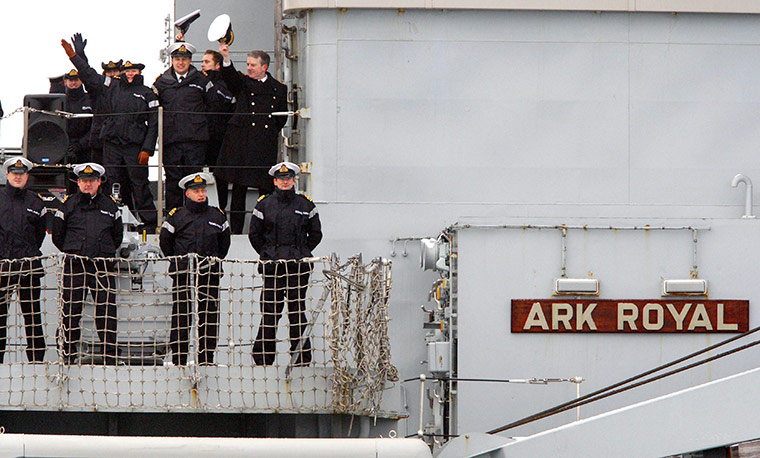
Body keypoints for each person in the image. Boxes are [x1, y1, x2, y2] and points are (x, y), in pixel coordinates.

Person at [62, 38, 159, 233]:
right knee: (112, 184)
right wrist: (74, 57)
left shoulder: (148, 94)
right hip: (112, 145)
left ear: (140, 73)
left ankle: (149, 223)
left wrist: (147, 149)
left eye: (134, 71)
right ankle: (111, 218)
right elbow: (89, 75)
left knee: (139, 185)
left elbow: (155, 123)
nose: (130, 74)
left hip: (135, 148)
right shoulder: (111, 86)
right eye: (127, 71)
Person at [248, 162, 322, 366]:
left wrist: (301, 252)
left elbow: (316, 234)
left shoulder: (305, 204)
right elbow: (254, 234)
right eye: (281, 178)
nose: (285, 181)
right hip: (273, 267)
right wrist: (268, 253)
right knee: (270, 313)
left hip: (298, 267)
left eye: (288, 178)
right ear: (275, 181)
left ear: (294, 180)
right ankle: (263, 359)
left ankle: (300, 359)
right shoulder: (264, 204)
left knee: (297, 313)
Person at [52, 163, 123, 365]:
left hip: (102, 267)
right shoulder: (68, 204)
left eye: (91, 180)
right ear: (79, 182)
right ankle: (67, 356)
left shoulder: (110, 205)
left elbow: (117, 236)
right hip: (75, 266)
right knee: (70, 312)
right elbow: (58, 236)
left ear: (99, 182)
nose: (88, 184)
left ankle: (110, 358)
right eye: (84, 180)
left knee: (107, 312)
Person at [216, 44, 289, 234]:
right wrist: (225, 57)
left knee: (265, 191)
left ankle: (264, 231)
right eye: (248, 64)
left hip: (263, 145)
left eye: (253, 65)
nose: (249, 68)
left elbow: (281, 118)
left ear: (264, 67)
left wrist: (268, 132)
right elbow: (230, 78)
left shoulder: (279, 89)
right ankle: (237, 231)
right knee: (239, 191)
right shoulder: (243, 84)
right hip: (242, 145)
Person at [160, 172, 230, 365]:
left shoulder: (217, 216)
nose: (200, 194)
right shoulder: (177, 217)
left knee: (208, 318)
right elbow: (166, 243)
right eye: (195, 191)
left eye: (202, 190)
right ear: (187, 194)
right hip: (183, 275)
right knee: (182, 317)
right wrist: (179, 263)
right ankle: (179, 359)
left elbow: (224, 245)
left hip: (209, 276)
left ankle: (206, 359)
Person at [153, 42, 214, 213]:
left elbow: (212, 106)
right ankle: (174, 216)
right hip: (171, 141)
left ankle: (195, 215)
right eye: (177, 59)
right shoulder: (161, 83)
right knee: (172, 180)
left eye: (184, 59)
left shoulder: (202, 81)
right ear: (172, 60)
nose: (181, 63)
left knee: (194, 180)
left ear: (190, 61)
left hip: (195, 142)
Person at [0, 158, 47, 363]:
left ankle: (36, 361)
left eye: (21, 173)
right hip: (2, 267)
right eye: (14, 173)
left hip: (28, 267)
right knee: (0, 317)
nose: (17, 176)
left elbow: (39, 236)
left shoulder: (36, 202)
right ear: (7, 175)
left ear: (27, 176)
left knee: (32, 316)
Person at [200, 50, 235, 173]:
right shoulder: (197, 81)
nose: (203, 64)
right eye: (203, 61)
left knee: (218, 173)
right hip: (200, 135)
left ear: (217, 65)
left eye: (207, 62)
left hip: (218, 137)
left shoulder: (224, 85)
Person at [62, 69, 93, 166]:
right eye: (71, 80)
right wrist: (67, 145)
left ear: (81, 81)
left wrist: (80, 145)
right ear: (65, 82)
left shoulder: (90, 100)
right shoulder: (60, 101)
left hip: (86, 148)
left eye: (76, 80)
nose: (74, 83)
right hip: (64, 147)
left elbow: (95, 125)